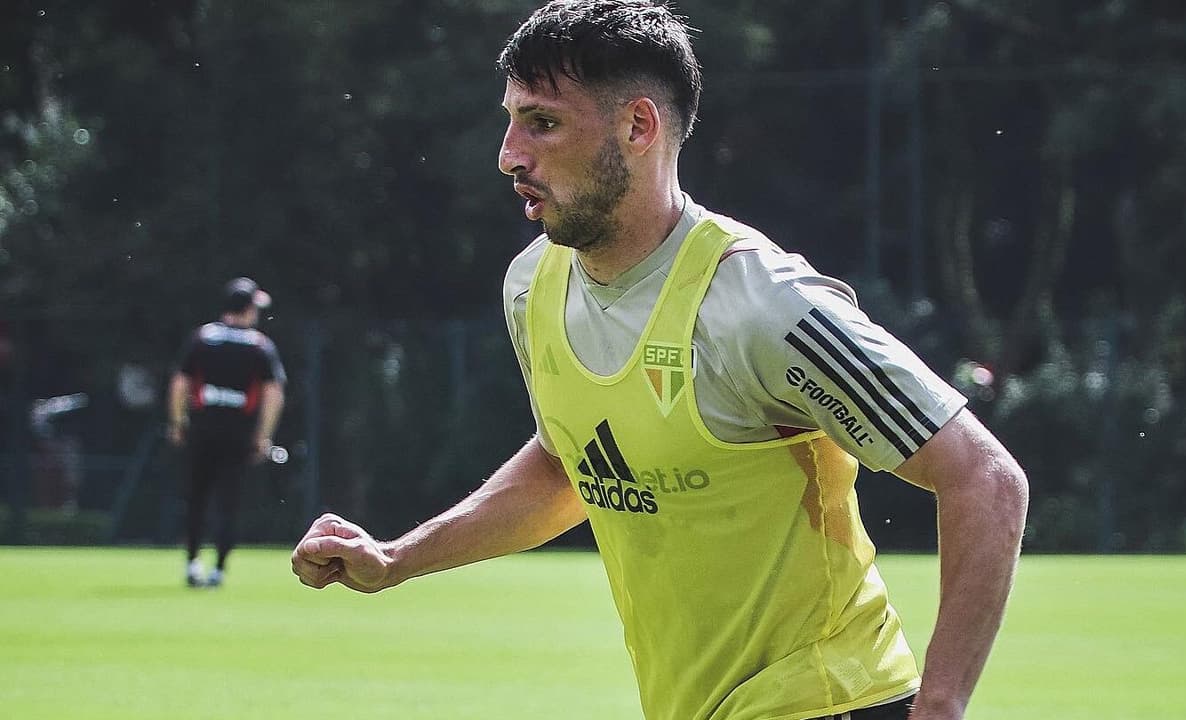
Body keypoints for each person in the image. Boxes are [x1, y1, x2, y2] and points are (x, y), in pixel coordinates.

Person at [291, 2, 1028, 718]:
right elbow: (570, 467)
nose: (509, 154)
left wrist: (938, 706)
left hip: (829, 702)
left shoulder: (761, 306)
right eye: (511, 120)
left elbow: (985, 479)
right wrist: (397, 560)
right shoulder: (533, 285)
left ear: (638, 125)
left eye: (542, 122)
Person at [170, 277, 286, 587]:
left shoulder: (202, 338)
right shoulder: (259, 345)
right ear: (248, 309)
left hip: (201, 431)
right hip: (238, 435)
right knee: (228, 503)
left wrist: (178, 422)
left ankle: (192, 563)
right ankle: (219, 568)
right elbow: (274, 393)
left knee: (195, 499)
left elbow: (180, 384)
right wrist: (263, 436)